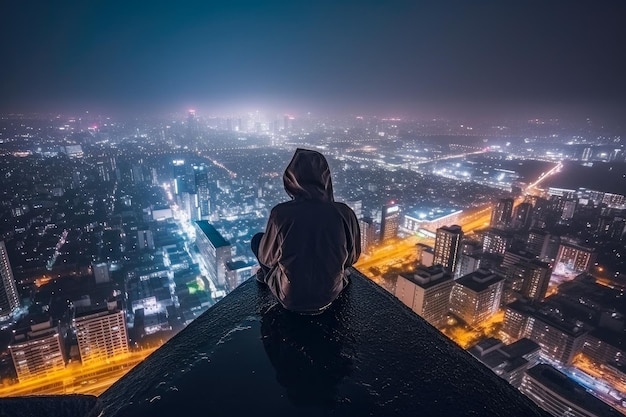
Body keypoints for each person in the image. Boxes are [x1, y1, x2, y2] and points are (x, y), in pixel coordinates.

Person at [251, 148, 361, 314]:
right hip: (331, 293)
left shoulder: (280, 214)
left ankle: (266, 279)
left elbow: (267, 258)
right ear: (325, 178)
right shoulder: (345, 213)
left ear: (291, 179)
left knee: (258, 241)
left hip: (290, 298)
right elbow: (353, 256)